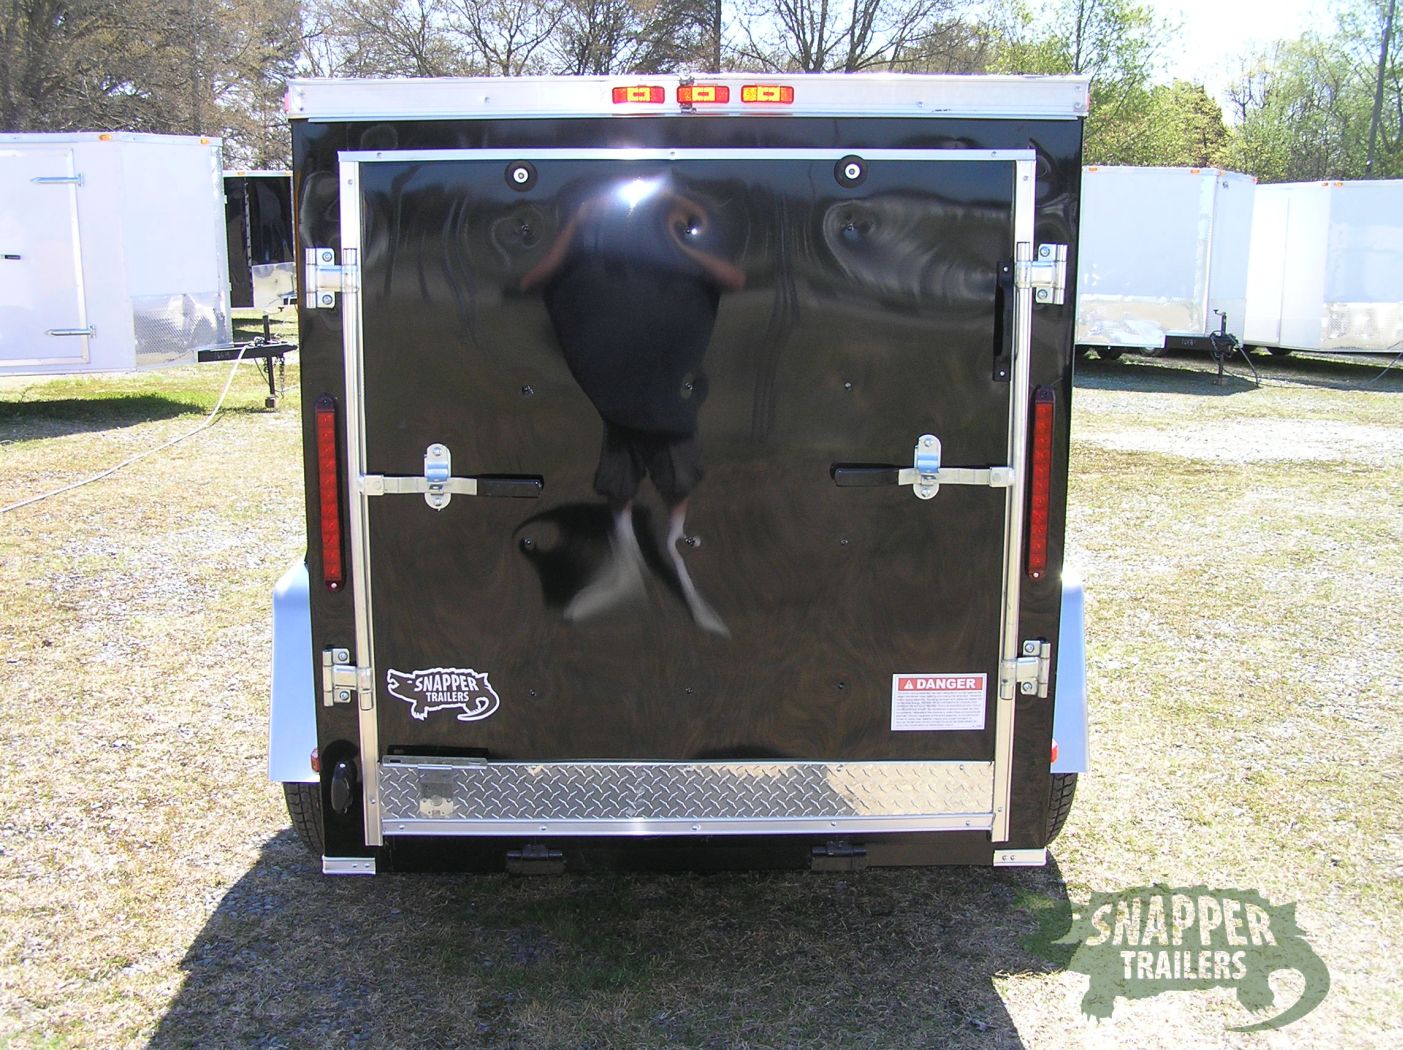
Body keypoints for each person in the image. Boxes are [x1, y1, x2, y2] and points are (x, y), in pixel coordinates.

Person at [520, 172, 744, 635]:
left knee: (677, 483)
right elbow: (535, 279)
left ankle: (683, 572)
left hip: (669, 401)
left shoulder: (684, 251)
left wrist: (679, 234)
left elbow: (732, 278)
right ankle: (627, 570)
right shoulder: (600, 248)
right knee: (618, 488)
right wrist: (579, 222)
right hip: (619, 399)